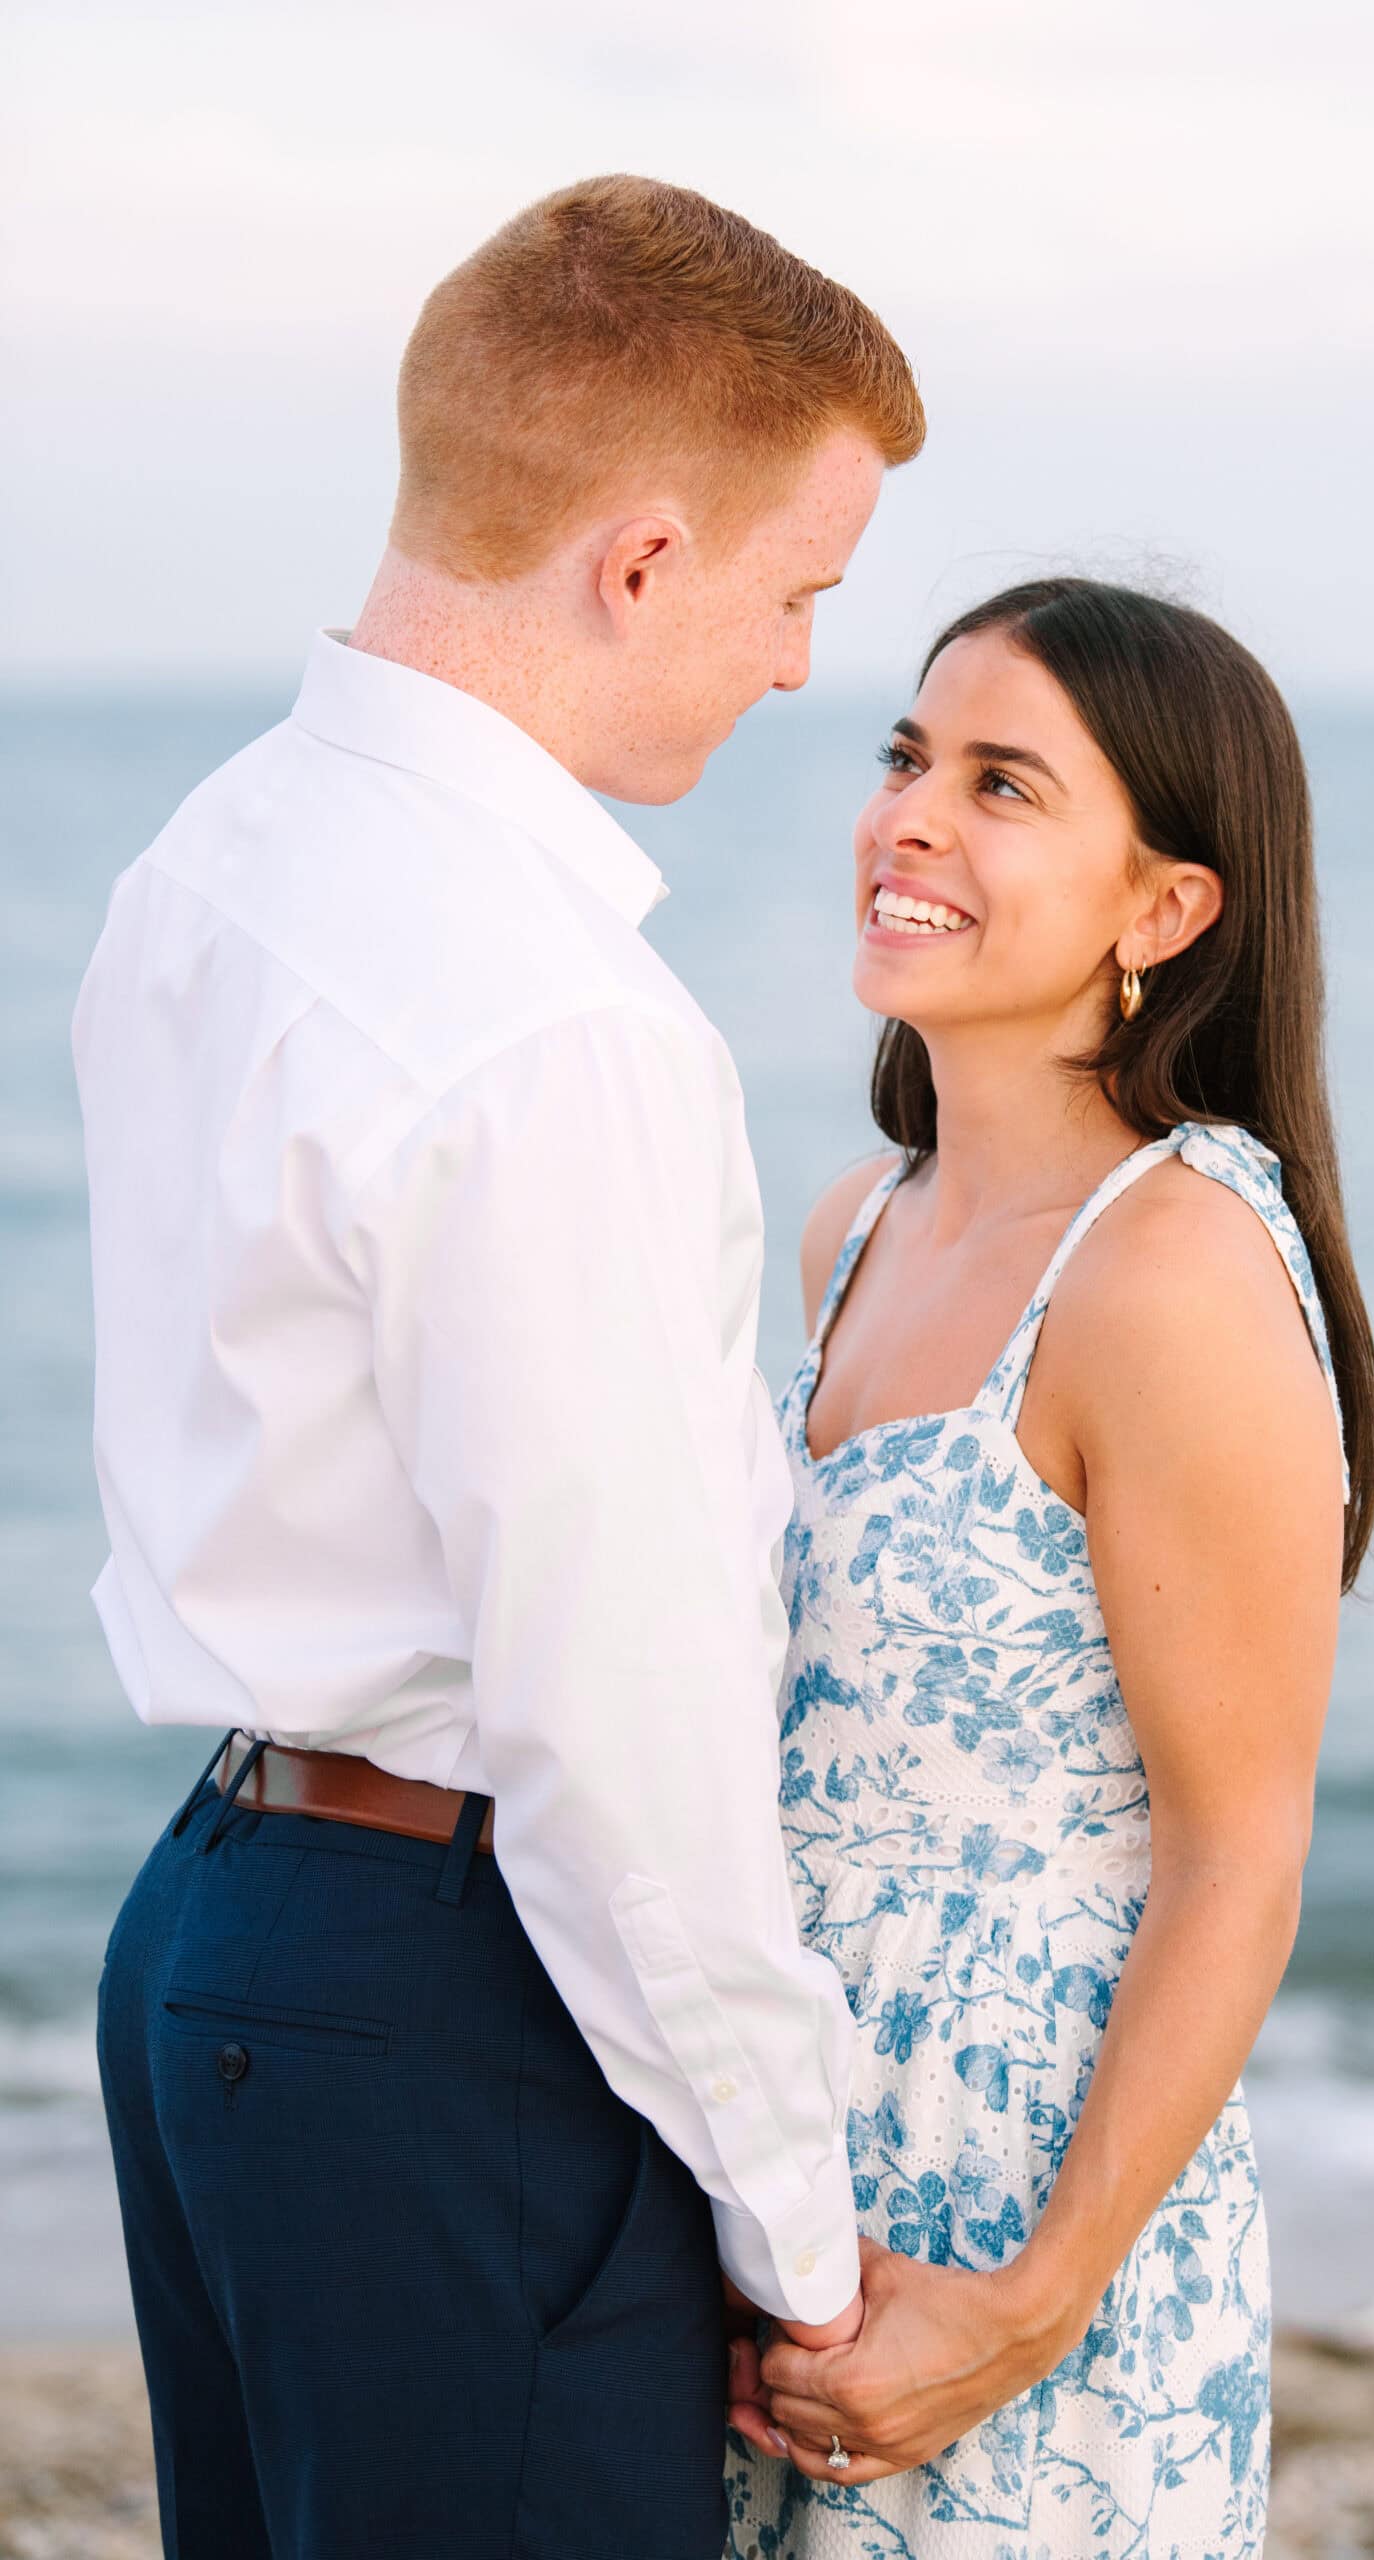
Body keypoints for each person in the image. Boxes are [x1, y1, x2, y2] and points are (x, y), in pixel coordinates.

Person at [73, 176, 923, 2559]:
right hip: (458, 2000)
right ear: (641, 558)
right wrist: (798, 2230)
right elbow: (613, 1709)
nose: (787, 665)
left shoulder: (207, 862)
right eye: (798, 591)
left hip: (222, 1924)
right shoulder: (552, 1015)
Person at [724, 577, 1374, 2556]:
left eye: (1003, 783)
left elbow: (1237, 1853)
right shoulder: (858, 1221)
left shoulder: (1171, 1273)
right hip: (780, 2185)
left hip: (1023, 2210)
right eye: (908, 755)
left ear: (1162, 909)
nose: (910, 815)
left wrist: (1031, 2299)